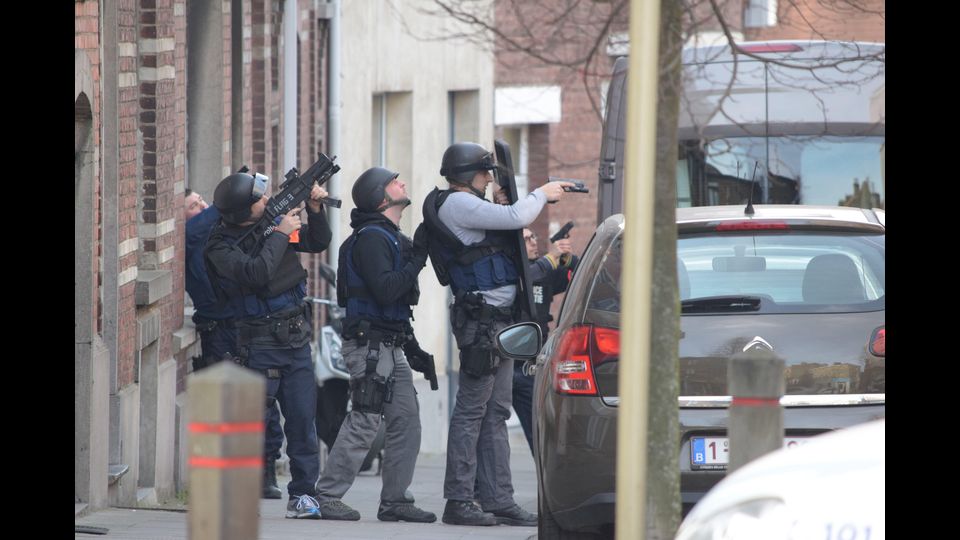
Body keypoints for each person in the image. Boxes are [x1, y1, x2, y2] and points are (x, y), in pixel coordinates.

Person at [421, 141, 573, 527]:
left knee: (496, 412)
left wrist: (508, 203)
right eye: (485, 173)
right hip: (483, 323)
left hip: (500, 322)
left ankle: (497, 498)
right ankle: (459, 499)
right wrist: (543, 192)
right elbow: (518, 216)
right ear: (467, 175)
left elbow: (507, 224)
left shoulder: (470, 205)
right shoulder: (457, 203)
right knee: (473, 410)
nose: (489, 178)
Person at [203, 171, 331, 519]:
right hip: (257, 343)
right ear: (244, 209)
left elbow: (317, 243)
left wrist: (315, 210)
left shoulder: (273, 227)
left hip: (295, 338)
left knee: (303, 421)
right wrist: (279, 232)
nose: (267, 201)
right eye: (260, 199)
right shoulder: (220, 247)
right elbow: (256, 273)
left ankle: (304, 494)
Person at [313, 167, 435, 523]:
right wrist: (418, 258)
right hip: (369, 347)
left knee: (407, 421)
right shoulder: (371, 238)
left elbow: (393, 307)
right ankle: (328, 496)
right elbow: (386, 290)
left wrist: (412, 348)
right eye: (396, 181)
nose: (404, 183)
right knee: (365, 419)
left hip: (389, 345)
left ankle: (395, 499)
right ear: (381, 198)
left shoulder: (391, 236)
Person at [183, 189, 286, 499]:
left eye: (203, 201)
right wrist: (225, 203)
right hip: (221, 332)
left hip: (248, 326)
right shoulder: (193, 237)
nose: (202, 207)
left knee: (265, 400)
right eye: (193, 205)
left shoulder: (223, 232)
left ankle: (266, 467)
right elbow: (194, 230)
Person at [513, 227, 579, 453]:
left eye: (534, 237)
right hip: (505, 363)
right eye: (527, 239)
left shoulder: (543, 270)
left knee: (540, 434)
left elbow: (574, 277)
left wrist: (567, 259)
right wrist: (551, 258)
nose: (533, 242)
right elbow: (526, 277)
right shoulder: (511, 271)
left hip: (531, 366)